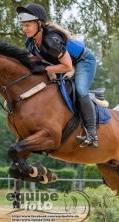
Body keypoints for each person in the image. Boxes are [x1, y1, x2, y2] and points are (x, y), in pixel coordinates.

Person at [16, 3, 98, 148]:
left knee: (80, 90)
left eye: (28, 25)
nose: (25, 29)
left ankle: (92, 134)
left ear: (39, 24)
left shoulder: (50, 41)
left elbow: (66, 66)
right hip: (67, 63)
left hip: (83, 61)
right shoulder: (30, 42)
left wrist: (45, 68)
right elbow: (36, 60)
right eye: (23, 25)